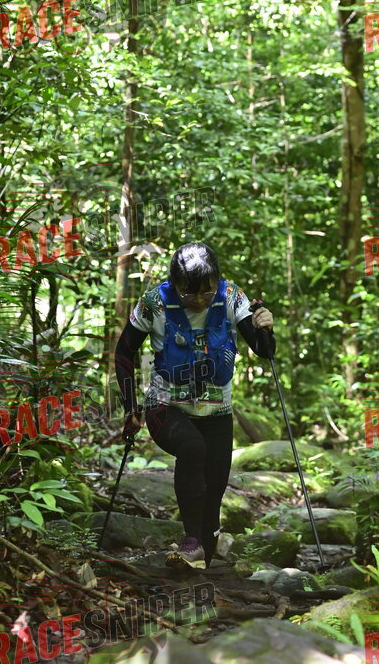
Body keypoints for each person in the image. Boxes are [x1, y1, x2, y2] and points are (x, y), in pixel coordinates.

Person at [114, 242, 275, 569]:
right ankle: (190, 542)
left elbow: (264, 350)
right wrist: (131, 407)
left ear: (217, 282)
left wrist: (265, 327)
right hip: (164, 408)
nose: (199, 299)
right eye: (189, 292)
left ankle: (202, 566)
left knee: (213, 495)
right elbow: (124, 352)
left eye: (206, 290)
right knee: (192, 448)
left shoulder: (232, 298)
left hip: (217, 413)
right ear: (174, 284)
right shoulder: (154, 303)